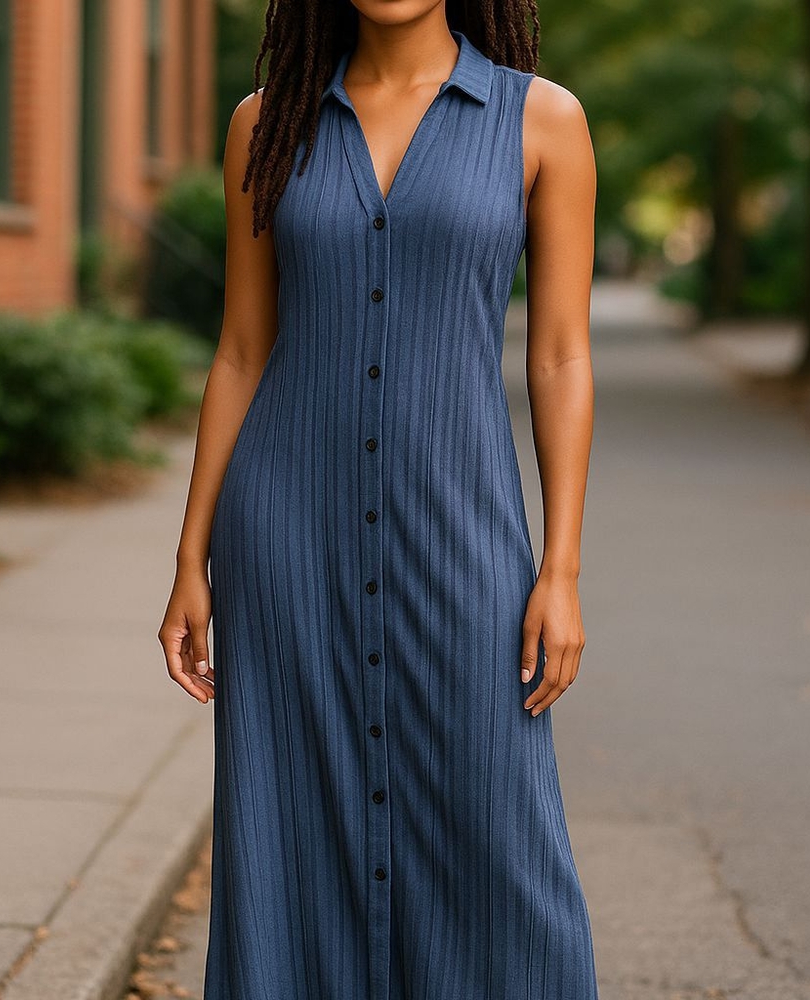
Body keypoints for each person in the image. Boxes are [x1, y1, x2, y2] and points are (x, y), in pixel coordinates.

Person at [158, 2, 598, 997]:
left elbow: (561, 355)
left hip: (461, 526)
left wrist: (561, 567)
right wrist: (191, 557)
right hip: (284, 534)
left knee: (500, 832)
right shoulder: (264, 123)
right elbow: (242, 348)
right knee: (289, 834)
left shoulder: (542, 119)